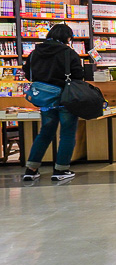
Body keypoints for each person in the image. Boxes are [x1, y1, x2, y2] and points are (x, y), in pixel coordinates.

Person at [22, 23, 84, 182]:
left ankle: (31, 169)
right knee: (67, 133)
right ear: (67, 38)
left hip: (44, 100)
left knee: (45, 132)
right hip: (65, 99)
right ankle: (61, 170)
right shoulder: (68, 53)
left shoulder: (35, 52)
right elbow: (78, 75)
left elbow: (27, 72)